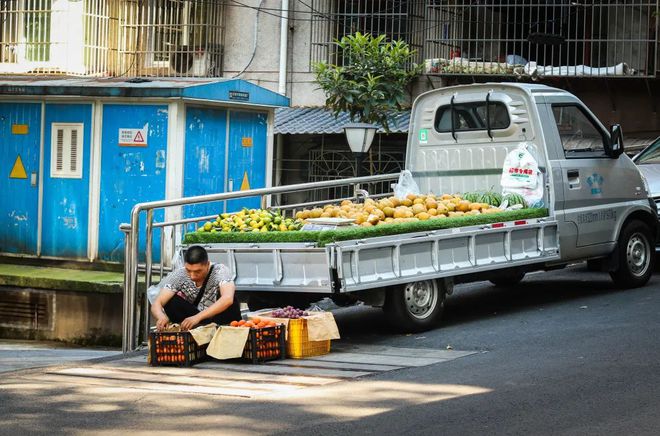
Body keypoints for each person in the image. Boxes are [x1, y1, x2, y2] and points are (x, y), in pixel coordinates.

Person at [151, 245, 241, 331]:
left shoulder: (220, 271)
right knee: (171, 301)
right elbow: (157, 303)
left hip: (219, 319)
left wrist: (197, 317)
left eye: (198, 271)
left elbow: (227, 299)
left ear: (207, 264)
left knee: (229, 299)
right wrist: (161, 317)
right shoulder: (179, 274)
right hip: (196, 321)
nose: (192, 276)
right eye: (188, 270)